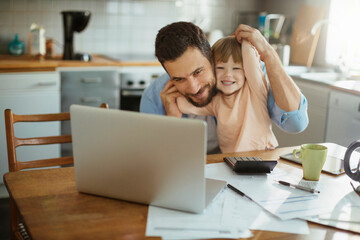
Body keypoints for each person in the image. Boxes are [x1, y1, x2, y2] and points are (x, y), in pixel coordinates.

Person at [140, 21, 308, 154]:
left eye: (198, 72)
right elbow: (157, 163)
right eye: (179, 79)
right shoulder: (155, 97)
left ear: (211, 57)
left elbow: (295, 124)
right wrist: (171, 121)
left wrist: (268, 54)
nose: (193, 87)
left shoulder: (243, 75)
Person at [176, 37, 277, 153]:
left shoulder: (254, 90)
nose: (228, 74)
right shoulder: (216, 101)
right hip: (230, 159)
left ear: (246, 71)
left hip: (261, 153)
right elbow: (185, 105)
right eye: (220, 68)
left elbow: (250, 59)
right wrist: (177, 85)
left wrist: (244, 38)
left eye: (236, 68)